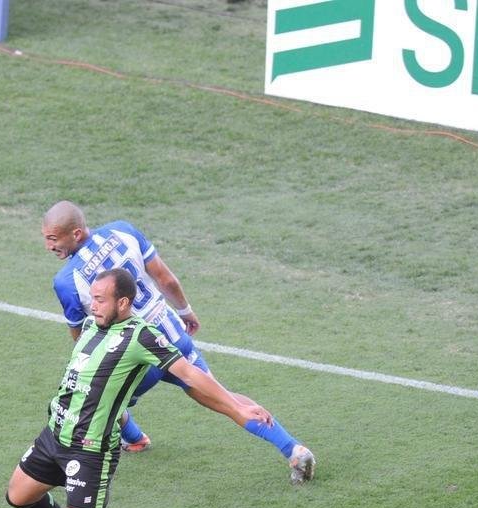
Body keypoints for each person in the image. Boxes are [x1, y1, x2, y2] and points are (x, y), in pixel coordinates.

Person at [6, 269, 276, 508]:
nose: (93, 305)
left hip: (90, 452)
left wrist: (237, 406)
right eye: (92, 298)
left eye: (100, 299)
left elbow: (190, 374)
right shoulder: (90, 326)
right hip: (53, 436)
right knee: (19, 496)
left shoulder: (142, 337)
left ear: (123, 302)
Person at [42, 200, 315, 484]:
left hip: (135, 358)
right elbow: (165, 279)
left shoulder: (67, 281)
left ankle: (124, 442)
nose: (49, 246)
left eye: (52, 239)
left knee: (99, 402)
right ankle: (293, 449)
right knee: (227, 399)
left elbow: (84, 340)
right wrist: (185, 311)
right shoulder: (122, 230)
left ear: (75, 233)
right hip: (172, 336)